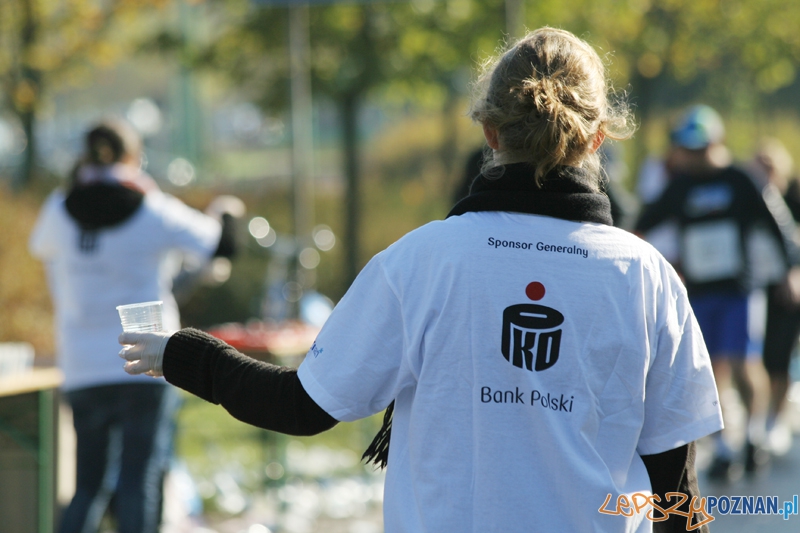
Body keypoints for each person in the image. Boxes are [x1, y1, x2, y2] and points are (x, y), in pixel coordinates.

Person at [120, 28, 723, 532]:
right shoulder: (645, 276)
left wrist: (181, 354)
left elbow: (303, 406)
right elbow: (675, 484)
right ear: (597, 140)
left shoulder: (421, 261)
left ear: (489, 134)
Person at [29, 118, 240, 533]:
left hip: (82, 366)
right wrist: (227, 212)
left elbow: (40, 246)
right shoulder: (152, 208)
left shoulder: (58, 208)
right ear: (133, 157)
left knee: (87, 485)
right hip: (148, 360)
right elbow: (221, 245)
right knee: (137, 479)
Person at [635, 105, 784, 481]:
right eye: (690, 149)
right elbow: (643, 223)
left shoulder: (739, 180)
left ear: (718, 143)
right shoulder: (681, 185)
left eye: (703, 148)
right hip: (699, 293)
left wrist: (790, 271)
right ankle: (724, 448)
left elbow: (774, 226)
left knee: (742, 362)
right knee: (708, 370)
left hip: (739, 290)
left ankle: (755, 435)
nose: (697, 156)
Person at [747, 137, 800, 456]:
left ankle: (775, 420)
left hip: (786, 291)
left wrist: (793, 274)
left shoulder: (791, 201)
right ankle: (757, 421)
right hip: (755, 287)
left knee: (780, 357)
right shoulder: (748, 200)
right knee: (756, 358)